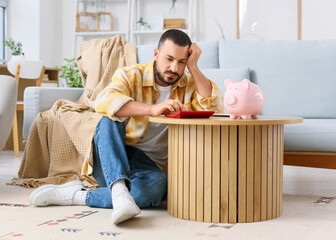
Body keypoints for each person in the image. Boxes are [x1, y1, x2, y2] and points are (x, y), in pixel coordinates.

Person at [29, 29, 223, 225]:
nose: (174, 67)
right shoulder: (131, 75)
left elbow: (213, 107)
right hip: (114, 157)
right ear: (156, 54)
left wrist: (194, 67)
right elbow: (104, 102)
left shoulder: (189, 84)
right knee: (109, 118)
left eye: (181, 62)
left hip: (151, 168)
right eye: (169, 59)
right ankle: (119, 189)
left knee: (156, 189)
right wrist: (152, 109)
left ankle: (80, 195)